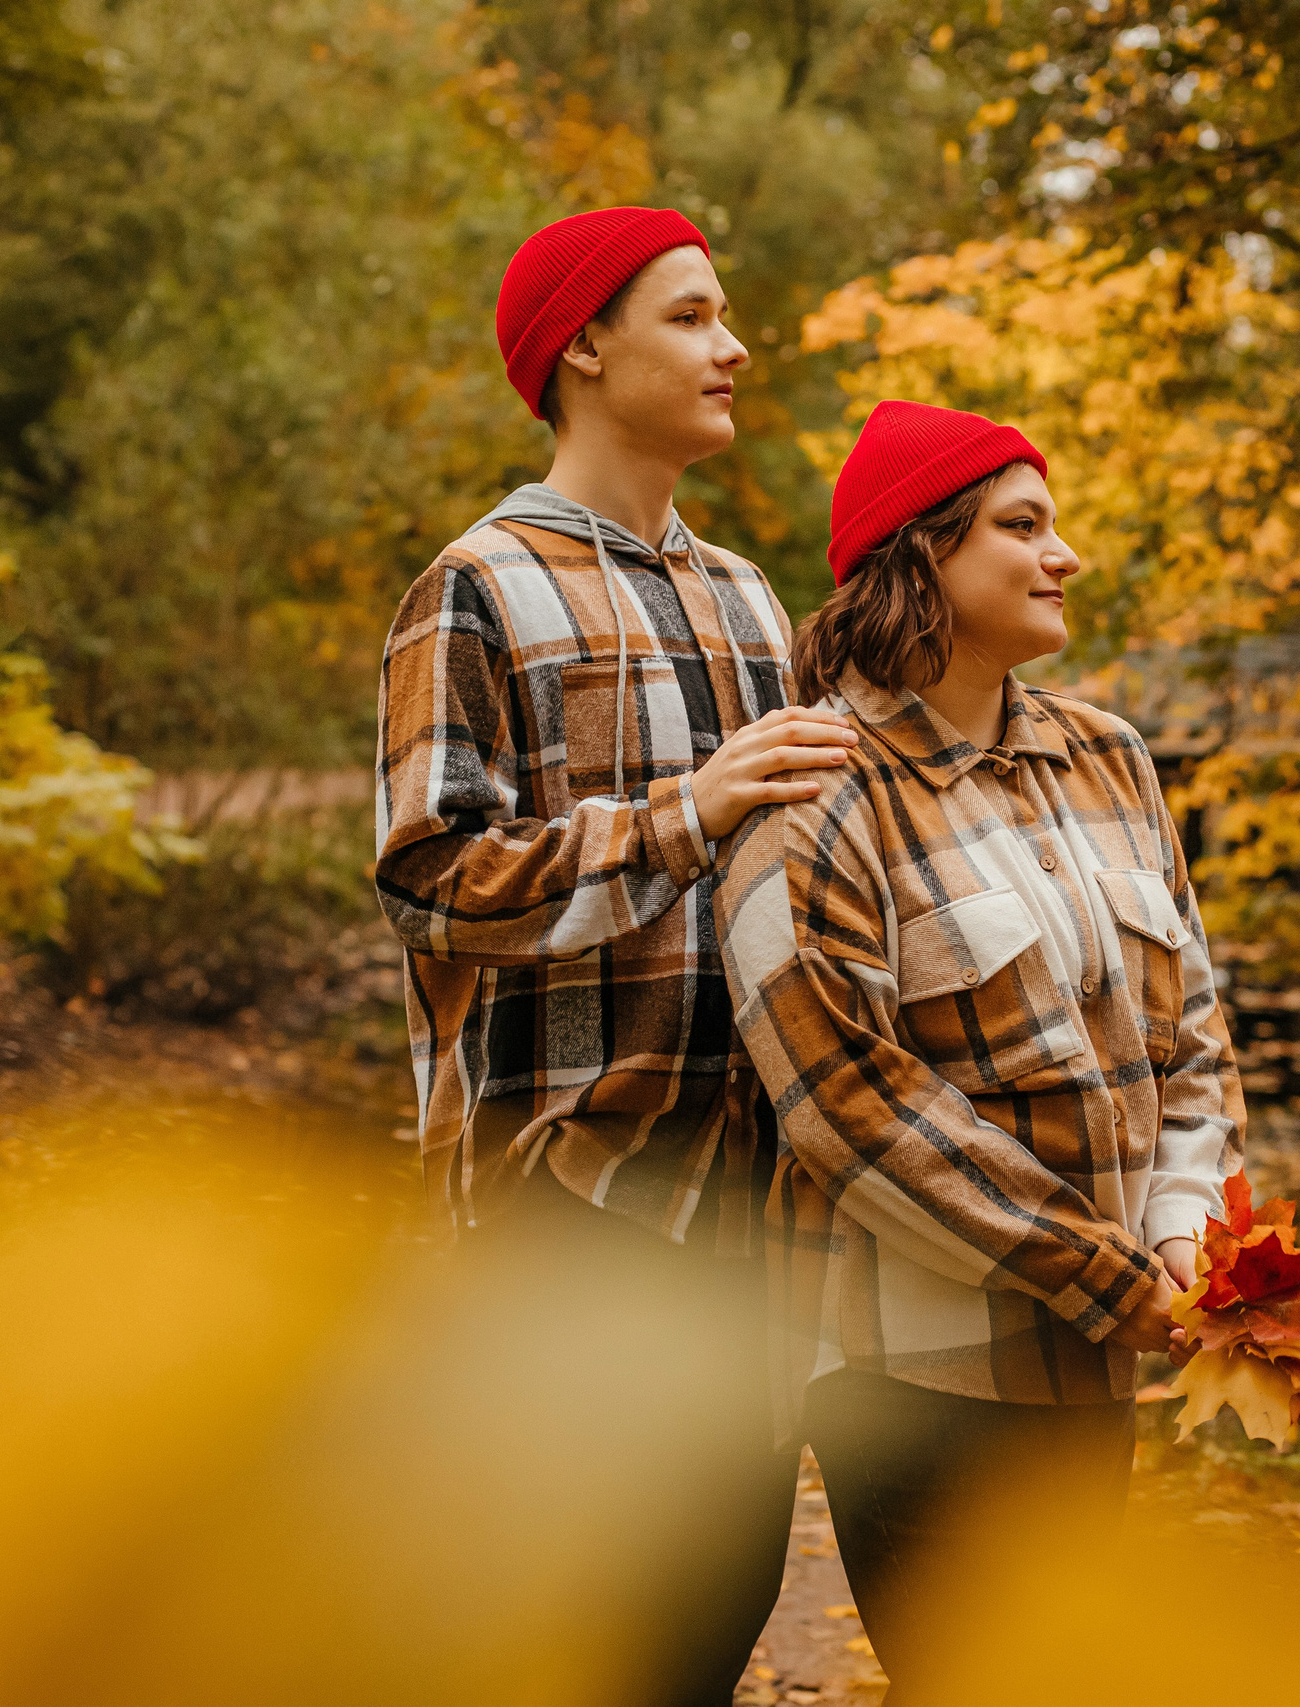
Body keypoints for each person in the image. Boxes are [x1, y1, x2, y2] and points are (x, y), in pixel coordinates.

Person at [372, 206, 858, 1707]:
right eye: (695, 316)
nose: (738, 346)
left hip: (749, 1213)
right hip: (569, 1203)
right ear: (584, 344)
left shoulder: (747, 596)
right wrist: (674, 820)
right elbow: (431, 881)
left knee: (708, 1621)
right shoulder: (477, 585)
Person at [714, 400, 1245, 1701]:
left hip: (1097, 1358)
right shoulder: (813, 796)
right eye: (1023, 526)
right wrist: (1118, 1279)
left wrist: (1183, 1230)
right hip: (917, 1372)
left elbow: (1193, 1038)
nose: (1062, 554)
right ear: (919, 556)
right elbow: (850, 1110)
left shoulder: (1107, 756)